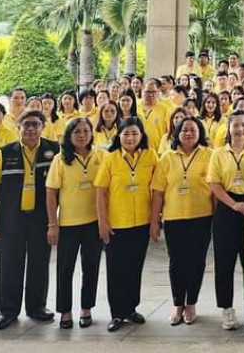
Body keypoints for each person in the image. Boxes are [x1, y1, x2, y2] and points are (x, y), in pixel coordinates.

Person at [0, 108, 59, 330]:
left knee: (39, 263)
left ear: (43, 127)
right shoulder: (4, 153)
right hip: (10, 219)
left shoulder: (54, 151)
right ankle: (8, 311)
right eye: (27, 125)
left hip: (41, 218)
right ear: (18, 128)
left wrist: (55, 222)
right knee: (9, 266)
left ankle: (36, 307)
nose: (31, 129)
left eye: (36, 124)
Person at [94, 117, 156, 333]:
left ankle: (131, 308)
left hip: (142, 222)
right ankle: (117, 313)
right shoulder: (110, 158)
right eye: (126, 134)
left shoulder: (150, 155)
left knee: (135, 267)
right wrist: (102, 222)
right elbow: (101, 192)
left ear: (141, 135)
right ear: (118, 136)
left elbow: (157, 187)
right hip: (117, 223)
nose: (130, 138)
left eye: (135, 133)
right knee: (116, 269)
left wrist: (155, 219)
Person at [151, 117, 214, 326]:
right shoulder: (167, 158)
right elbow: (158, 192)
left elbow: (215, 188)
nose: (188, 133)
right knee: (177, 262)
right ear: (177, 133)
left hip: (202, 217)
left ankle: (191, 303)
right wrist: (154, 221)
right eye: (184, 130)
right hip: (174, 217)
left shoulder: (209, 155)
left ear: (200, 133)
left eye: (193, 130)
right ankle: (178, 303)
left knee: (197, 262)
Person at [207, 111, 244, 330]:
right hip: (227, 207)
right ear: (228, 128)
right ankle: (227, 310)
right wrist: (233, 204)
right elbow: (214, 183)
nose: (240, 129)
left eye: (243, 125)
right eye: (236, 125)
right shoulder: (218, 153)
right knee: (224, 262)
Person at [45, 116, 103, 329]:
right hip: (68, 224)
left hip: (94, 223)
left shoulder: (101, 156)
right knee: (65, 269)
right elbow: (51, 193)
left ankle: (86, 309)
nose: (82, 135)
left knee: (91, 268)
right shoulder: (60, 159)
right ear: (69, 135)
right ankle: (65, 311)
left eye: (86, 131)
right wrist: (53, 225)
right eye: (77, 132)